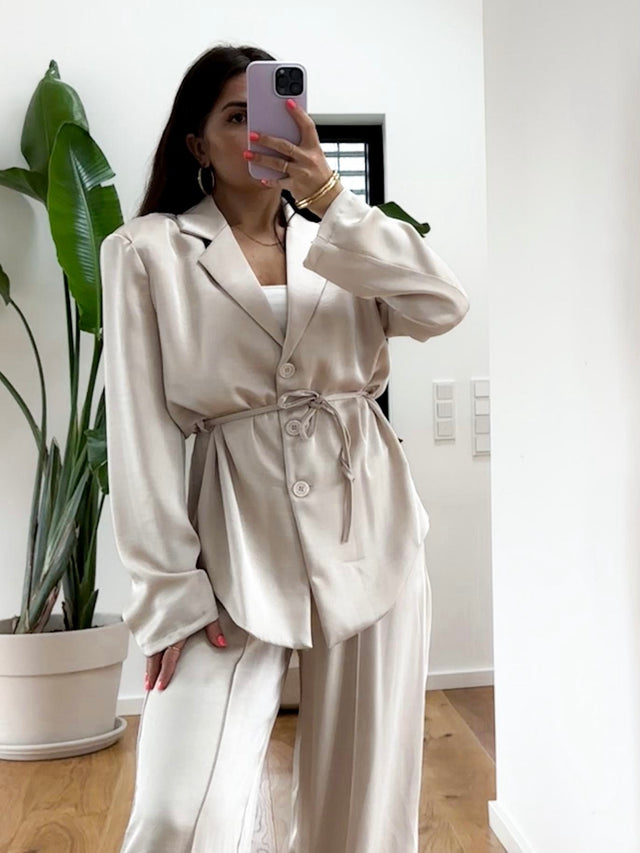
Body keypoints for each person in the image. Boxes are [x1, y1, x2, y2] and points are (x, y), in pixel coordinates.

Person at [100, 42, 470, 853]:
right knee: (177, 813)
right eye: (237, 117)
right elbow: (140, 437)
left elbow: (443, 303)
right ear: (197, 144)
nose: (261, 132)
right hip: (230, 551)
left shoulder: (340, 241)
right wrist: (168, 597)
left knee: (364, 820)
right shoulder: (147, 252)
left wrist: (331, 197)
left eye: (272, 113)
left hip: (370, 534)